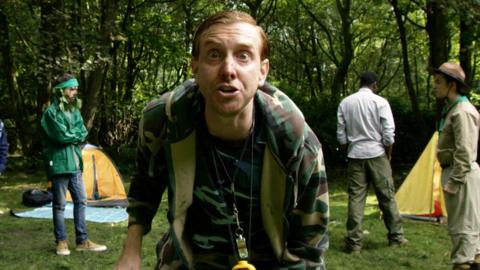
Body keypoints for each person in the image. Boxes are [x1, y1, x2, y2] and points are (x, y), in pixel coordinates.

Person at [115, 10, 329, 270]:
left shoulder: (296, 141)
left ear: (262, 72)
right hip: (188, 259)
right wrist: (131, 251)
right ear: (195, 67)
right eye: (214, 54)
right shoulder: (165, 121)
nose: (228, 70)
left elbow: (308, 246)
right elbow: (145, 186)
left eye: (243, 56)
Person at [336, 71, 407, 253]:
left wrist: (348, 153)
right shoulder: (381, 102)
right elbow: (389, 135)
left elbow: (341, 136)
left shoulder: (345, 103)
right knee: (387, 197)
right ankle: (396, 237)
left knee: (356, 200)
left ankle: (354, 243)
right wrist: (388, 155)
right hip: (377, 154)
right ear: (374, 85)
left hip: (355, 156)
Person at [41, 73, 107, 256]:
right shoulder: (50, 113)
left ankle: (82, 240)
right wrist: (73, 135)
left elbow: (83, 131)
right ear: (61, 90)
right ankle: (61, 242)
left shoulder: (74, 111)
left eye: (76, 88)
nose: (75, 91)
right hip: (59, 165)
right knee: (59, 205)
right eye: (72, 88)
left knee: (81, 201)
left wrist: (73, 134)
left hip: (75, 164)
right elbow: (61, 136)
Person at [433, 62, 480, 270]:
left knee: (463, 233)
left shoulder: (462, 111)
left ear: (452, 85)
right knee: (468, 237)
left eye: (438, 82)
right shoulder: (452, 109)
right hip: (455, 173)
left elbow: (465, 152)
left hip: (461, 176)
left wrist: (454, 181)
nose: (434, 86)